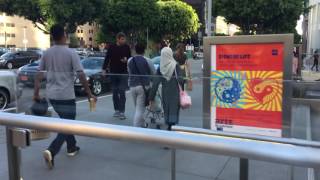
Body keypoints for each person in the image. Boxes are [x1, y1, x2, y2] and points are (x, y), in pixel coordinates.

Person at [33, 24, 97, 169]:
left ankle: (71, 147)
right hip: (66, 95)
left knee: (66, 121)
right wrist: (89, 93)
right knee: (68, 125)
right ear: (63, 36)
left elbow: (38, 75)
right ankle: (52, 150)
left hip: (52, 96)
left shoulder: (47, 53)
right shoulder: (71, 53)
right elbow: (80, 74)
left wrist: (36, 94)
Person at [149, 47, 184, 130]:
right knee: (174, 107)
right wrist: (182, 90)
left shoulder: (161, 67)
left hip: (165, 91)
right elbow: (181, 80)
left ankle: (168, 123)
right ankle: (172, 124)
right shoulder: (175, 65)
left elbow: (155, 83)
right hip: (175, 91)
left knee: (166, 107)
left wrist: (151, 96)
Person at [102, 32, 131, 120]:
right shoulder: (111, 47)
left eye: (124, 39)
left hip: (123, 73)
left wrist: (126, 60)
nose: (124, 41)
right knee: (114, 92)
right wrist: (104, 69)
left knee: (122, 92)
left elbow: (130, 58)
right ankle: (117, 110)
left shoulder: (126, 47)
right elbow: (107, 58)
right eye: (122, 39)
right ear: (117, 39)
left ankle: (122, 111)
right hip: (113, 72)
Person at [128, 43, 155, 127]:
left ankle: (142, 124)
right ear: (144, 50)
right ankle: (136, 128)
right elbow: (153, 73)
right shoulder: (148, 60)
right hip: (143, 86)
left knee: (138, 107)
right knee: (140, 109)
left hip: (132, 86)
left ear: (135, 50)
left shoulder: (130, 60)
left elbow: (129, 72)